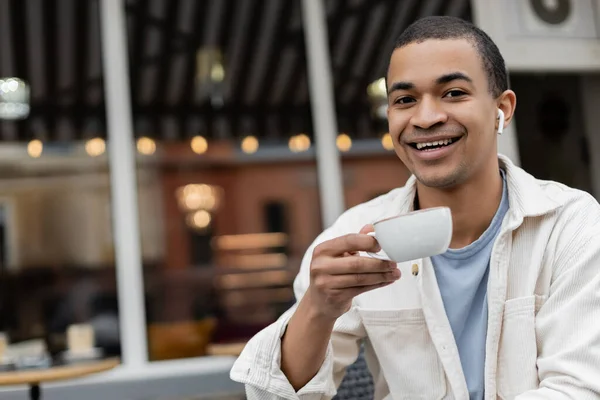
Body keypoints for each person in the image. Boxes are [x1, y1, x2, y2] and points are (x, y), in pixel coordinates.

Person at [230, 16, 600, 399]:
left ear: (501, 109)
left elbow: (578, 390)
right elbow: (272, 396)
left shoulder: (569, 225)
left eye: (454, 93)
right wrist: (317, 310)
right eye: (405, 100)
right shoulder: (358, 235)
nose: (425, 118)